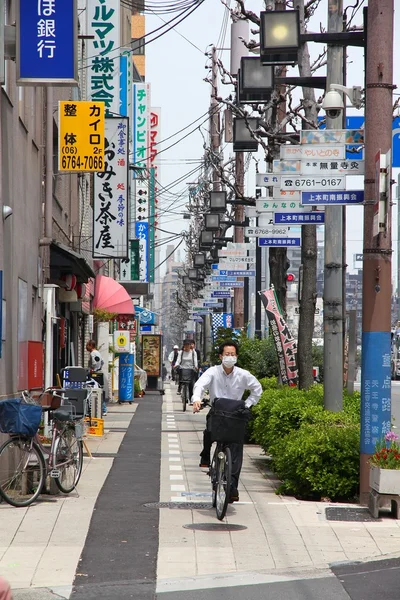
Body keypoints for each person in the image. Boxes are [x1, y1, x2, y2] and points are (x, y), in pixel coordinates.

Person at [192, 340, 262, 503]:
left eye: (232, 354)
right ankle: (205, 455)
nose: (229, 357)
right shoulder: (213, 372)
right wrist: (196, 399)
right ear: (220, 356)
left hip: (236, 414)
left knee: (236, 450)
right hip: (218, 411)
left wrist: (247, 404)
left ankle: (233, 487)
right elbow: (200, 385)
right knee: (209, 429)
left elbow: (257, 389)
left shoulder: (243, 374)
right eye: (226, 354)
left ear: (236, 356)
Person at [86, 340, 107, 416]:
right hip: (99, 373)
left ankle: (94, 408)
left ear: (91, 345)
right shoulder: (98, 353)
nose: (86, 347)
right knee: (100, 391)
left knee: (93, 390)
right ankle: (103, 409)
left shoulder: (92, 353)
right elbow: (102, 362)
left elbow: (94, 363)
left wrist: (92, 369)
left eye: (87, 345)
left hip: (94, 374)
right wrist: (99, 368)